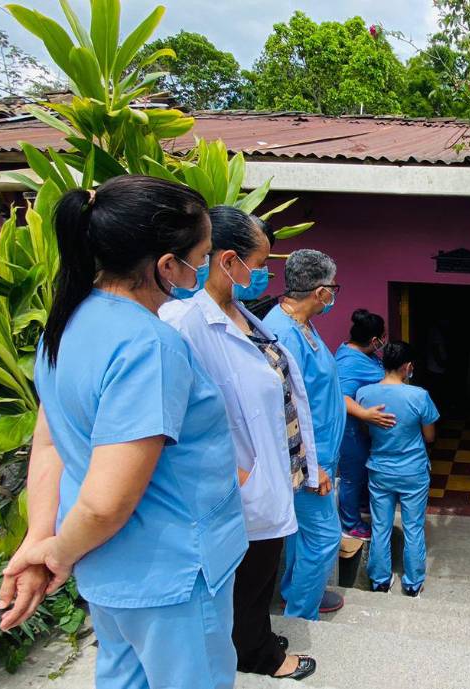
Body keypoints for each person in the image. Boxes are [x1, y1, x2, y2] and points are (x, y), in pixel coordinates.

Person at [0, 176, 248, 689]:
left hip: (110, 569)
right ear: (166, 266)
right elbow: (107, 503)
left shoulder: (67, 322)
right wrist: (54, 555)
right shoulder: (148, 346)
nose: (203, 268)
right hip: (170, 574)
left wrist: (44, 538)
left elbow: (50, 444)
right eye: (200, 256)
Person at [159, 207, 318, 681]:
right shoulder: (182, 323)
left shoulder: (241, 313)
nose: (265, 274)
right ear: (228, 261)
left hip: (271, 472)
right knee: (248, 577)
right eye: (260, 263)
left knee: (261, 569)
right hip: (239, 480)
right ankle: (260, 655)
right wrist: (238, 472)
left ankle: (254, 639)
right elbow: (177, 413)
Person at [263, 249, 344, 619]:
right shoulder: (282, 333)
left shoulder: (301, 324)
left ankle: (296, 589)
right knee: (325, 538)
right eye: (333, 289)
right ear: (320, 292)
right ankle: (299, 615)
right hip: (309, 462)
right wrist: (310, 467)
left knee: (302, 534)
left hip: (321, 453)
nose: (333, 297)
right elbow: (281, 409)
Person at [356, 342, 439, 596]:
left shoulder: (364, 394)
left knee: (381, 525)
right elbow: (429, 437)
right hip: (413, 471)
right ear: (408, 367)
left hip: (380, 469)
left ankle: (380, 580)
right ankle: (413, 584)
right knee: (413, 526)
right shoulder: (419, 396)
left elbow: (364, 430)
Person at [335, 309, 395, 540]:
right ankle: (350, 524)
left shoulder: (365, 355)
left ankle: (360, 506)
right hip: (349, 431)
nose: (384, 340)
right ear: (374, 340)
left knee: (361, 473)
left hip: (361, 432)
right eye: (383, 336)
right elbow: (341, 397)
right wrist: (366, 414)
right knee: (352, 475)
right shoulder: (348, 362)